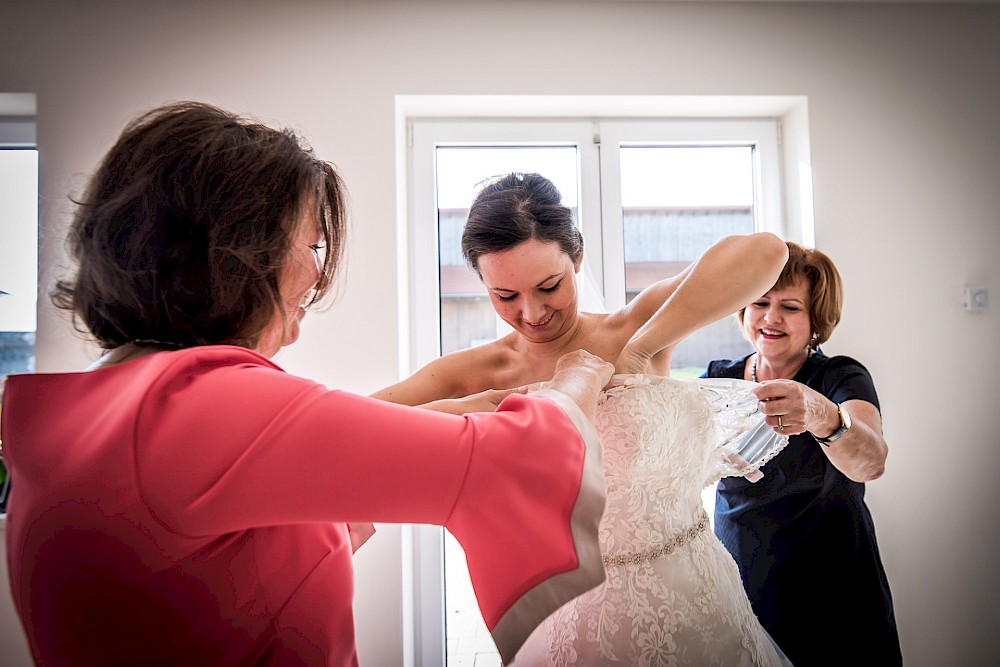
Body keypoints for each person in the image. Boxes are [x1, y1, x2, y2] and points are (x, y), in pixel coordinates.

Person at [0, 103, 615, 667]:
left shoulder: (91, 413)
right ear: (237, 253)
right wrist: (582, 372)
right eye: (312, 243)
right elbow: (511, 462)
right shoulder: (208, 404)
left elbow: (226, 582)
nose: (319, 272)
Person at [373, 173, 797, 665]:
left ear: (576, 259)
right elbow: (349, 427)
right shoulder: (473, 374)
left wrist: (638, 351)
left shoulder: (637, 326)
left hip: (696, 600)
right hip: (568, 625)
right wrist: (466, 407)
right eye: (505, 295)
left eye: (548, 285)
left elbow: (767, 252)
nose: (531, 313)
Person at [704, 241, 902, 666]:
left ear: (815, 321)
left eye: (790, 307)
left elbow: (872, 460)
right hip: (741, 585)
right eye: (761, 302)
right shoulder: (717, 378)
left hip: (833, 592)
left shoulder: (839, 377)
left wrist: (822, 416)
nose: (771, 317)